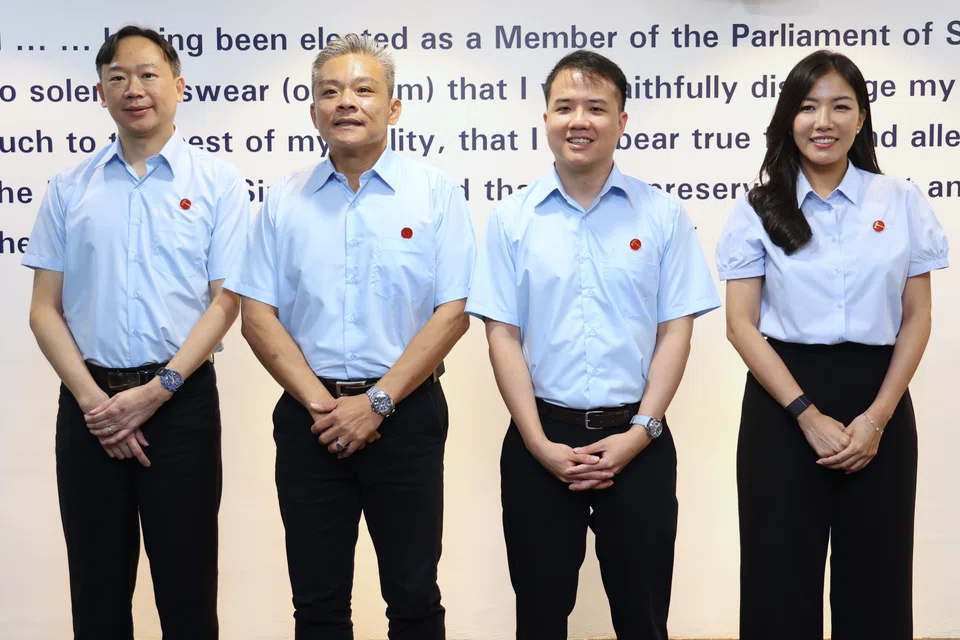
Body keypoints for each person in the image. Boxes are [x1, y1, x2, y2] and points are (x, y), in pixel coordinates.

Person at [225, 34, 475, 639]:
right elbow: (257, 312)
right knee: (316, 601)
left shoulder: (435, 193)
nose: (346, 103)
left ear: (393, 108)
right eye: (330, 92)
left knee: (414, 596)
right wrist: (323, 404)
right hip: (310, 418)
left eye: (364, 90)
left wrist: (377, 403)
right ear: (312, 111)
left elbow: (453, 311)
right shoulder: (282, 200)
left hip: (407, 417)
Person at [465, 50, 720, 640]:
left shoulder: (660, 215)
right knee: (540, 617)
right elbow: (501, 333)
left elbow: (675, 329)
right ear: (546, 118)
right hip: (539, 439)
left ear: (622, 121)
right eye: (565, 107)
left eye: (596, 107)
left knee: (643, 617)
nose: (579, 119)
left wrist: (641, 432)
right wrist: (537, 441)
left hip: (640, 440)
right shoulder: (512, 218)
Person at [22, 25, 249, 640]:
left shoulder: (218, 184)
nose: (134, 89)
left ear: (178, 85)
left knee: (187, 589)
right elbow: (44, 308)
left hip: (181, 405)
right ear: (101, 92)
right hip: (90, 405)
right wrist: (98, 405)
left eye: (148, 75)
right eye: (118, 77)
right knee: (96, 592)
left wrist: (158, 390)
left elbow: (227, 302)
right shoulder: (70, 188)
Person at [717, 49, 948, 640]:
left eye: (840, 106)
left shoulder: (898, 199)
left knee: (876, 581)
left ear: (862, 118)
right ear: (787, 119)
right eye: (808, 106)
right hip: (782, 403)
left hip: (880, 399)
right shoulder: (758, 209)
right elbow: (741, 325)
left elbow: (917, 317)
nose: (824, 121)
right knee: (777, 582)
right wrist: (806, 414)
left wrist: (877, 418)